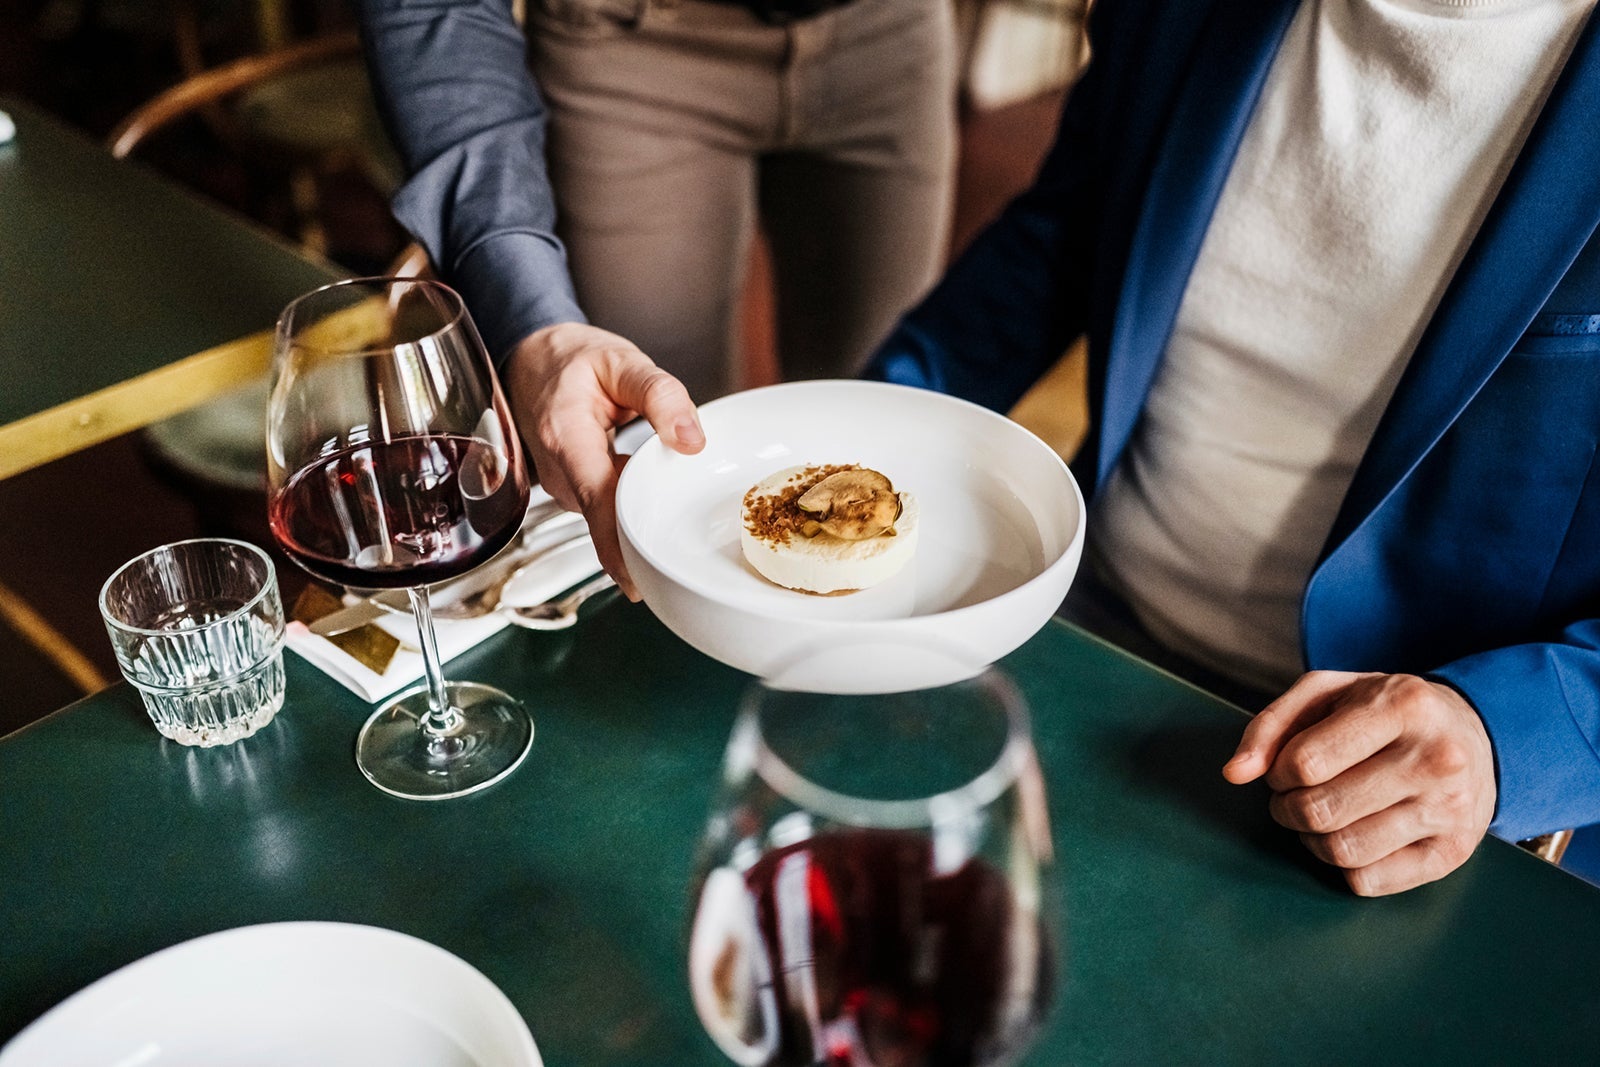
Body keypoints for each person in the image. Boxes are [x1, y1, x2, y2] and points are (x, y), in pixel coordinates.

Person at [463, 0, 1600, 897]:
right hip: (1081, 659)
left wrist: (1508, 733)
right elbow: (1061, 234)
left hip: (1403, 800)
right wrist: (860, 438)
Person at [355, 0, 961, 590]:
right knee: (662, 461)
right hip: (631, 43)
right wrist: (534, 319)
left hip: (887, 30)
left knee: (879, 406)